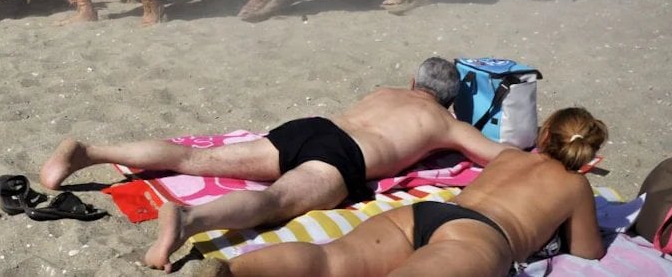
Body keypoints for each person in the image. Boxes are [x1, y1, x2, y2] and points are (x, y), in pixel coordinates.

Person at [38, 57, 513, 271]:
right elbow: (499, 156)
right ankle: (188, 220)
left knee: (194, 158)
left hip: (310, 128)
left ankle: (89, 152)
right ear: (449, 100)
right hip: (342, 157)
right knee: (276, 202)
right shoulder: (445, 122)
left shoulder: (387, 92)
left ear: (413, 79)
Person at [211, 106, 607, 277]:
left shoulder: (509, 158)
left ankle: (234, 272)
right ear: (588, 154)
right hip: (482, 238)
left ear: (543, 134)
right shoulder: (575, 185)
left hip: (429, 214)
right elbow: (589, 251)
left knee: (330, 261)